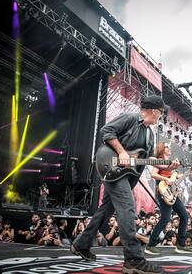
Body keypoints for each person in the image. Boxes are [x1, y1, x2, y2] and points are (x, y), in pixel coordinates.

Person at [71, 95, 174, 274]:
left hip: (125, 175)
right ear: (155, 111)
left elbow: (147, 159)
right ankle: (134, 259)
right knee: (128, 207)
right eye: (161, 113)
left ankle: (81, 244)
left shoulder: (150, 135)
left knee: (105, 211)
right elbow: (106, 130)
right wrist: (121, 151)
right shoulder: (131, 118)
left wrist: (167, 165)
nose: (161, 117)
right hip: (111, 166)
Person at [145, 142, 192, 255]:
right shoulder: (160, 160)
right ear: (162, 149)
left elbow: (176, 177)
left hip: (172, 193)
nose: (169, 149)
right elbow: (153, 174)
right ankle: (150, 245)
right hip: (163, 191)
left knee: (184, 216)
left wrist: (189, 172)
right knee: (165, 218)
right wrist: (165, 179)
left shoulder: (171, 164)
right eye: (167, 147)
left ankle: (181, 245)